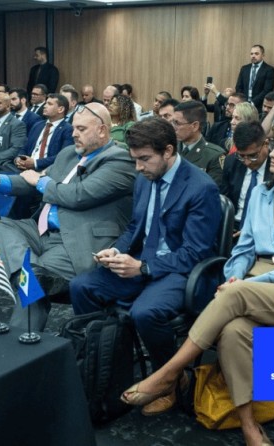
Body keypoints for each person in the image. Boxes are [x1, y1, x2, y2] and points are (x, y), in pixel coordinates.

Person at [119, 119, 274, 444]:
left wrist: (242, 286)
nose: (272, 153)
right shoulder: (262, 195)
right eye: (273, 145)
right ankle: (250, 426)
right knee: (234, 332)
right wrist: (235, 274)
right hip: (251, 282)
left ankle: (168, 373)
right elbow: (244, 248)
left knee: (235, 296)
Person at [71, 116, 221, 416]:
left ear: (168, 151)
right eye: (135, 159)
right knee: (81, 286)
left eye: (144, 159)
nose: (138, 167)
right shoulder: (145, 178)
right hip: (142, 261)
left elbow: (195, 253)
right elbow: (135, 228)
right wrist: (115, 249)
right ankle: (106, 366)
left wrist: (143, 267)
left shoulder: (201, 187)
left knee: (145, 312)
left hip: (178, 271)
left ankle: (170, 380)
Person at [0, 101, 136, 331]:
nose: (74, 134)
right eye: (74, 128)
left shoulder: (120, 160)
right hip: (41, 232)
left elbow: (78, 195)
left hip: (74, 241)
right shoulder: (69, 154)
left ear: (102, 130)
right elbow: (32, 182)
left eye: (81, 129)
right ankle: (26, 273)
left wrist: (40, 180)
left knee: (32, 286)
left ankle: (22, 337)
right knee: (0, 226)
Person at [220, 120, 272, 229]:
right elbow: (224, 200)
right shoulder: (232, 162)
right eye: (242, 156)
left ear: (266, 144)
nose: (247, 162)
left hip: (264, 227)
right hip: (234, 225)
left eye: (253, 156)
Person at [15, 93, 73, 171]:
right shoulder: (37, 125)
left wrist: (35, 163)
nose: (45, 106)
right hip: (25, 168)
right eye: (45, 103)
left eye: (49, 104)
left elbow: (63, 156)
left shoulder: (68, 129)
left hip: (47, 171)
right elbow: (25, 147)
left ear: (61, 109)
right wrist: (19, 158)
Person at [171, 101, 225, 185]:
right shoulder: (169, 149)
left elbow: (211, 189)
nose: (173, 127)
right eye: (173, 122)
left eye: (177, 123)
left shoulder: (215, 156)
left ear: (195, 126)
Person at [235, 44, 274, 110]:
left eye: (256, 54)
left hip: (259, 106)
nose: (253, 56)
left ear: (263, 55)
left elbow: (267, 90)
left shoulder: (269, 70)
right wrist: (243, 101)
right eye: (251, 54)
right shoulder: (244, 68)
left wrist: (253, 103)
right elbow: (238, 87)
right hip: (243, 105)